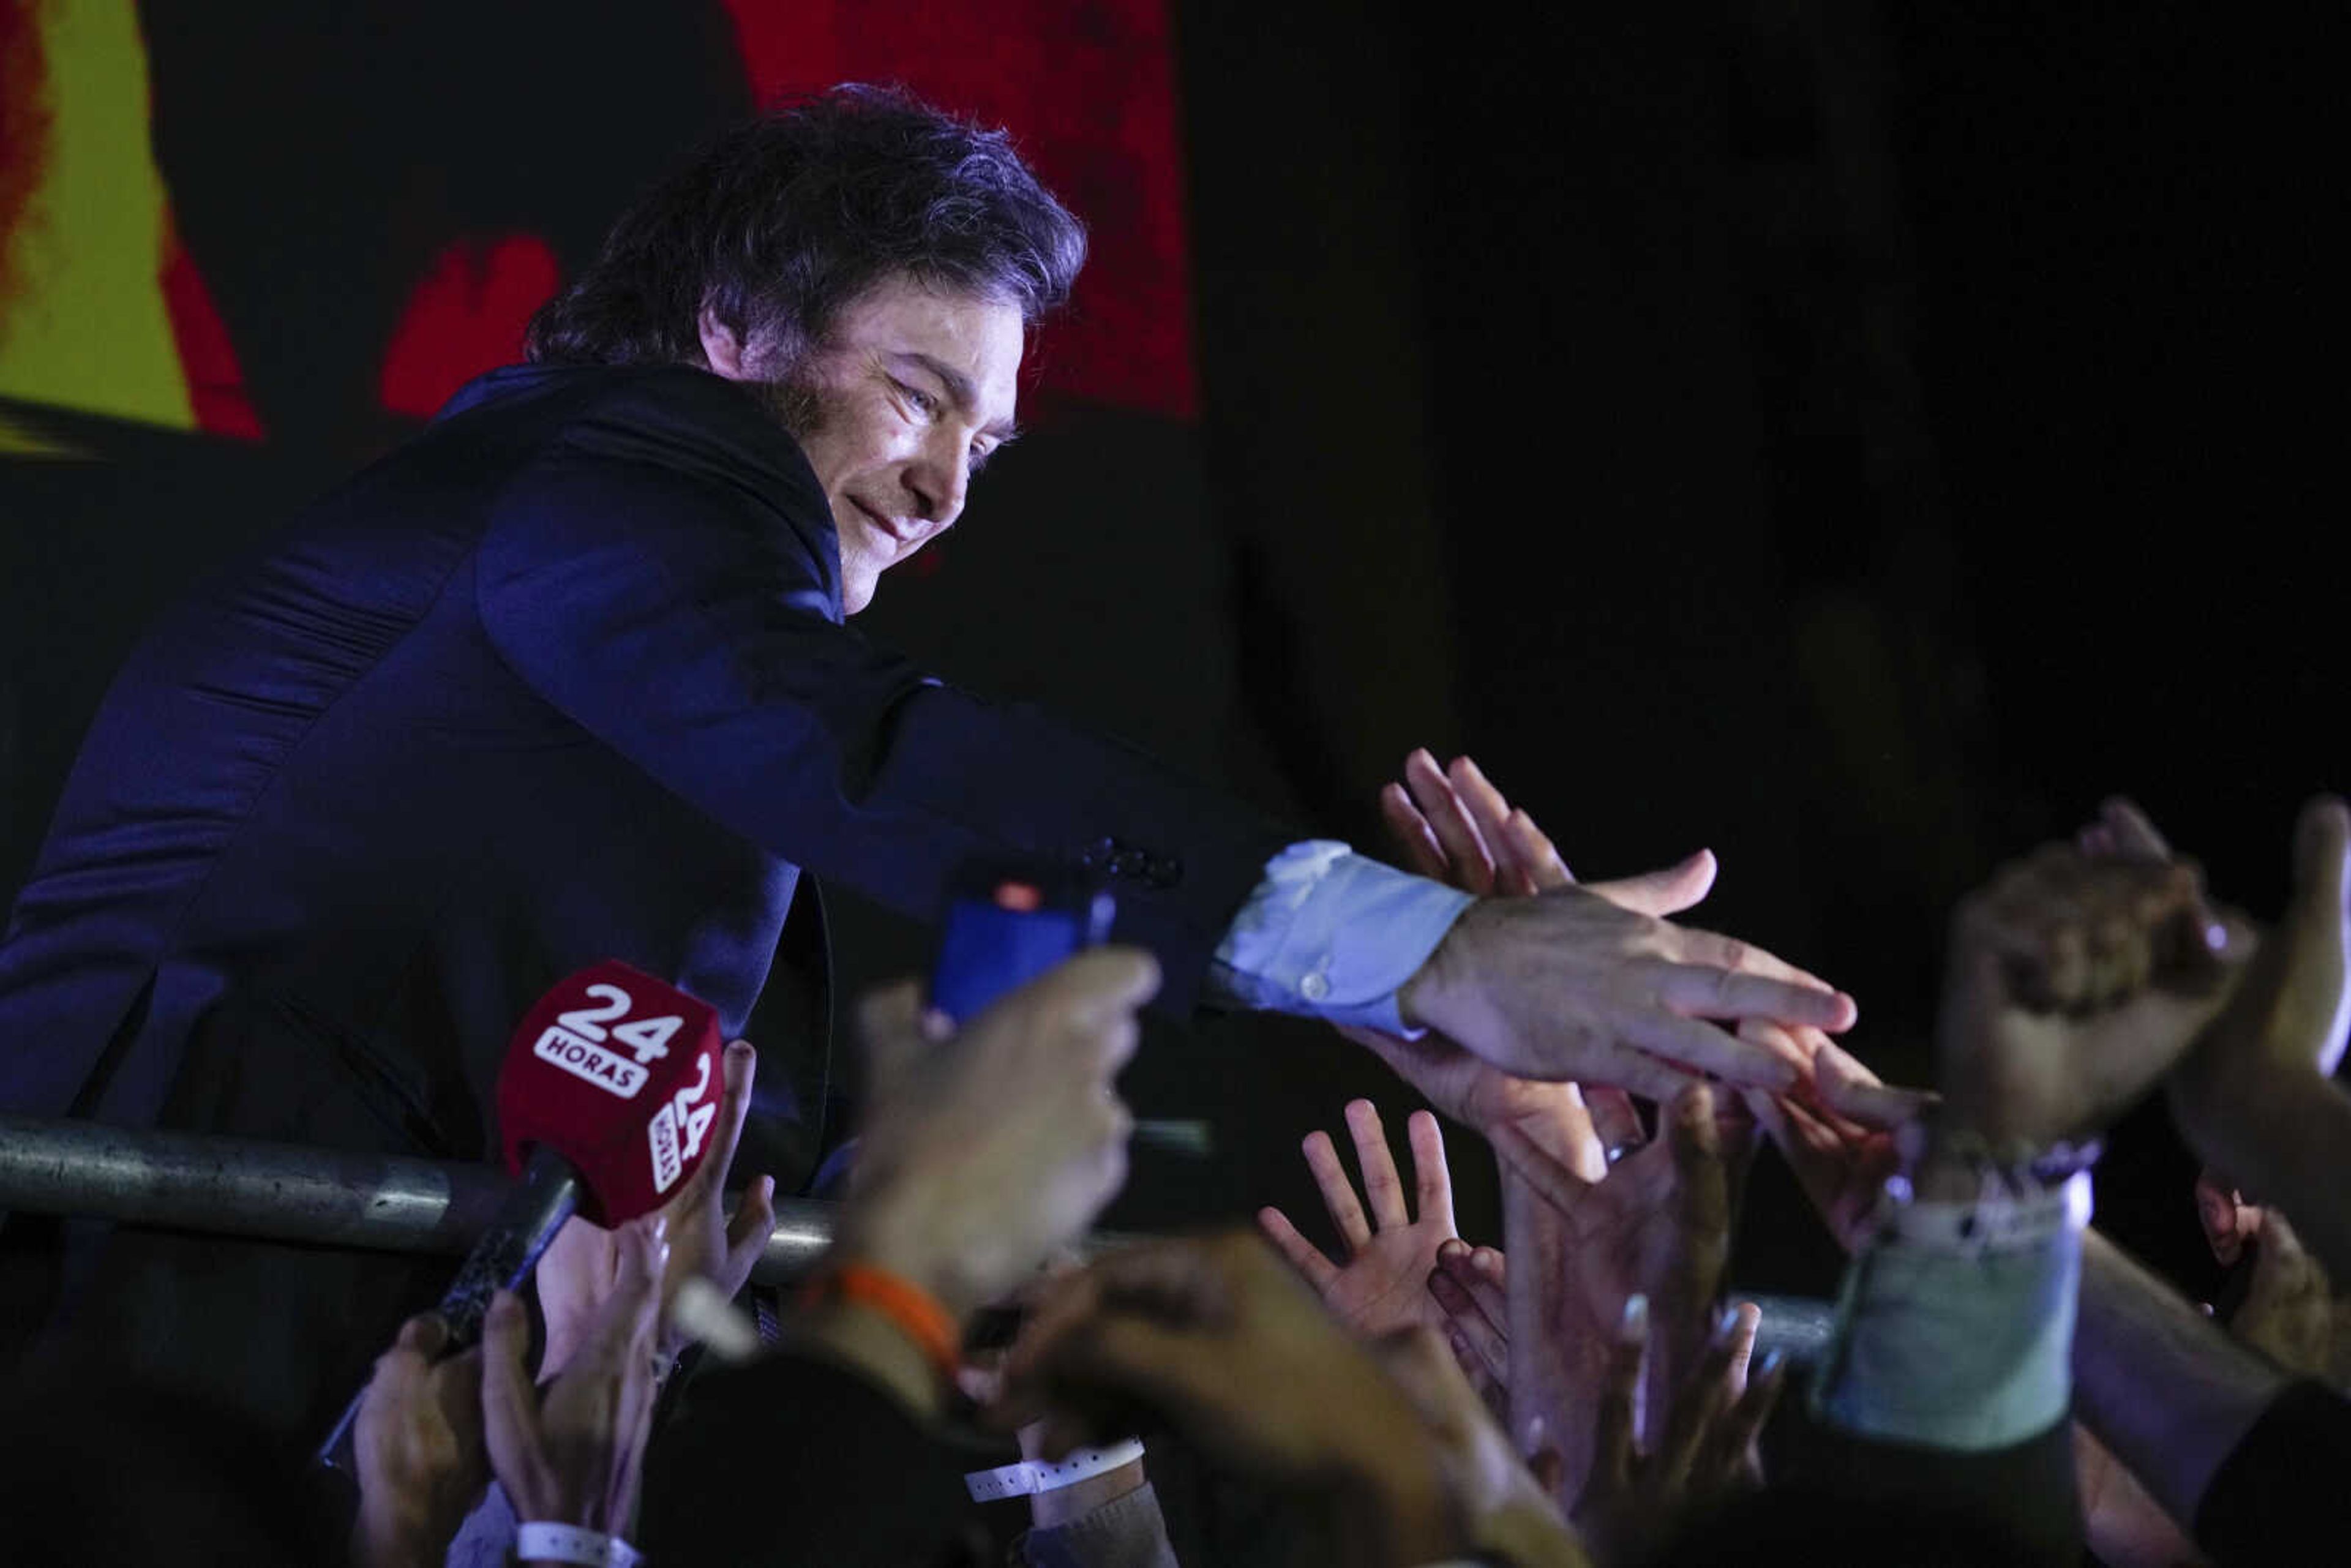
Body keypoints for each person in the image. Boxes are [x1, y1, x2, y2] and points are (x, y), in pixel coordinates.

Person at [0, 84, 1854, 1435]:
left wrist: (1358, 1006)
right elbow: (878, 757)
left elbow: (927, 860)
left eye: (995, 438)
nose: (950, 485)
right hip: (125, 1265)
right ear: (733, 332)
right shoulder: (636, 464)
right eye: (919, 391)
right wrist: (1422, 945)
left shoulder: (677, 593)